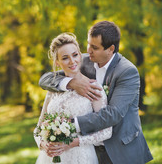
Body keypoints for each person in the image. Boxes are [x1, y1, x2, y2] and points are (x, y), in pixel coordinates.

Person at [39, 21, 153, 164]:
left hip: (120, 148)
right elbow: (46, 79)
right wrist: (71, 83)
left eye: (94, 47)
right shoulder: (83, 61)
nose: (88, 50)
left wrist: (69, 125)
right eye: (88, 44)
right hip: (89, 149)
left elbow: (113, 114)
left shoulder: (127, 72)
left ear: (110, 49)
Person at [34, 33, 112, 164]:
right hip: (51, 158)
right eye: (65, 58)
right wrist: (43, 144)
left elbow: (106, 132)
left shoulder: (93, 88)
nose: (72, 61)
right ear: (57, 63)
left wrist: (73, 143)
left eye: (75, 55)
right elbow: (38, 128)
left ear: (80, 56)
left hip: (81, 156)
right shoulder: (53, 90)